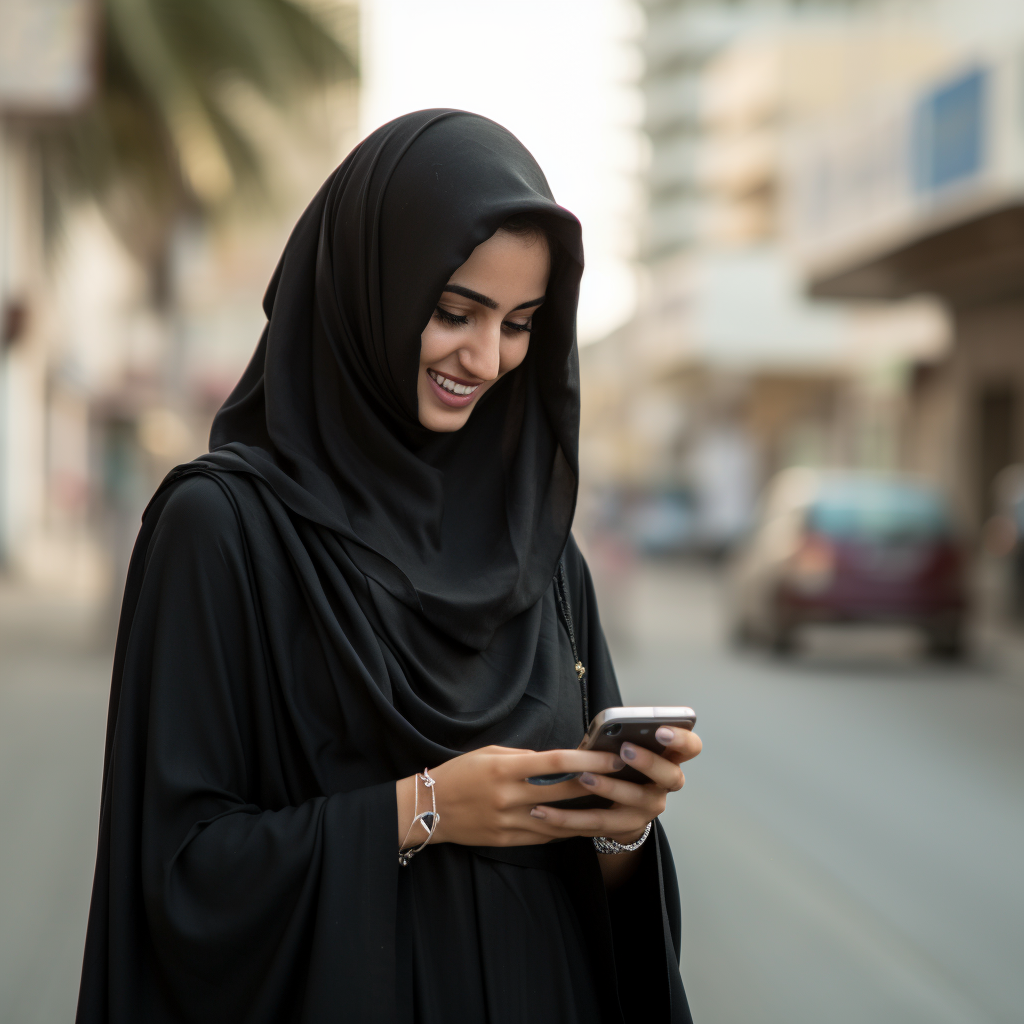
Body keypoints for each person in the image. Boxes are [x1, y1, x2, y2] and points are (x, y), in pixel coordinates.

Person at [76, 109, 702, 1024]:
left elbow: (604, 906)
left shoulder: (541, 556)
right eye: (453, 312)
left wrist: (621, 828)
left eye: (520, 324)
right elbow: (179, 872)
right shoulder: (222, 531)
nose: (485, 360)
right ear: (373, 286)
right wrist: (425, 809)